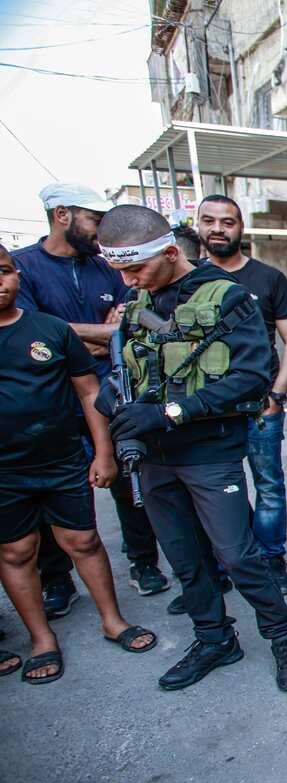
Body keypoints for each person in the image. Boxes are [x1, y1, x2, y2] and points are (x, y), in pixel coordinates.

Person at [96, 204, 287, 692]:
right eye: (121, 271)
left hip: (209, 453)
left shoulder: (229, 297)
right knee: (185, 560)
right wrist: (115, 399)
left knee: (237, 556)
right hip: (153, 458)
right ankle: (215, 639)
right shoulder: (136, 306)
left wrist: (172, 412)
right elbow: (124, 370)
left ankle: (282, 638)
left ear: (171, 252)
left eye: (136, 268)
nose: (129, 281)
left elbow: (251, 376)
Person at [0, 242, 156, 685]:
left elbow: (89, 392)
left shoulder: (50, 330)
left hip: (61, 458)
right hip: (5, 471)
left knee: (83, 540)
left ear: (16, 276)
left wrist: (103, 452)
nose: (0, 281)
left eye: (5, 271)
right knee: (16, 550)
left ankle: (113, 620)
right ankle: (41, 639)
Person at [13, 183, 170, 617]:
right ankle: (57, 578)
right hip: (51, 402)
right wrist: (95, 335)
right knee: (49, 493)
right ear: (62, 215)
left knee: (126, 473)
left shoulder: (106, 268)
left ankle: (143, 562)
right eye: (94, 219)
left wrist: (71, 335)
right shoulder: (21, 268)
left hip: (111, 390)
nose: (103, 230)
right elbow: (30, 333)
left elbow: (131, 326)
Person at [195, 195, 287, 598]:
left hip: (261, 405)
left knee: (269, 484)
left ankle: (272, 559)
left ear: (242, 228)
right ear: (199, 226)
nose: (218, 229)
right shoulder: (189, 279)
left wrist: (278, 393)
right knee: (220, 489)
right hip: (207, 409)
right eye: (210, 221)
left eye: (228, 221)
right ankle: (229, 562)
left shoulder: (268, 279)